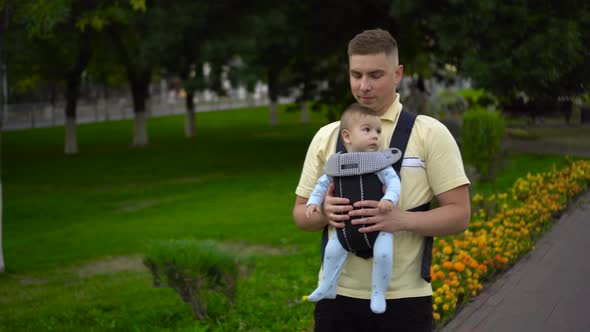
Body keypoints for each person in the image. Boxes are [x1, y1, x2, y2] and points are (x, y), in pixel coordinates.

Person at [292, 28, 471, 332]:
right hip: (337, 299)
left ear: (398, 73)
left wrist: (401, 220)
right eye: (356, 74)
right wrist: (324, 213)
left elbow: (460, 214)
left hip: (405, 300)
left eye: (375, 75)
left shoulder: (428, 133)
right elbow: (300, 215)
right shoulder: (329, 136)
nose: (364, 86)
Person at [305, 103, 402, 314]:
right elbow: (322, 184)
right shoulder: (337, 164)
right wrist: (314, 202)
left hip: (379, 226)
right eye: (367, 130)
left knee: (384, 255)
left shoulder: (381, 163)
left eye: (378, 131)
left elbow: (394, 183)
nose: (375, 136)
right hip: (344, 229)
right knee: (331, 252)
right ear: (347, 137)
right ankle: (327, 286)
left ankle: (378, 293)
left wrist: (390, 199)